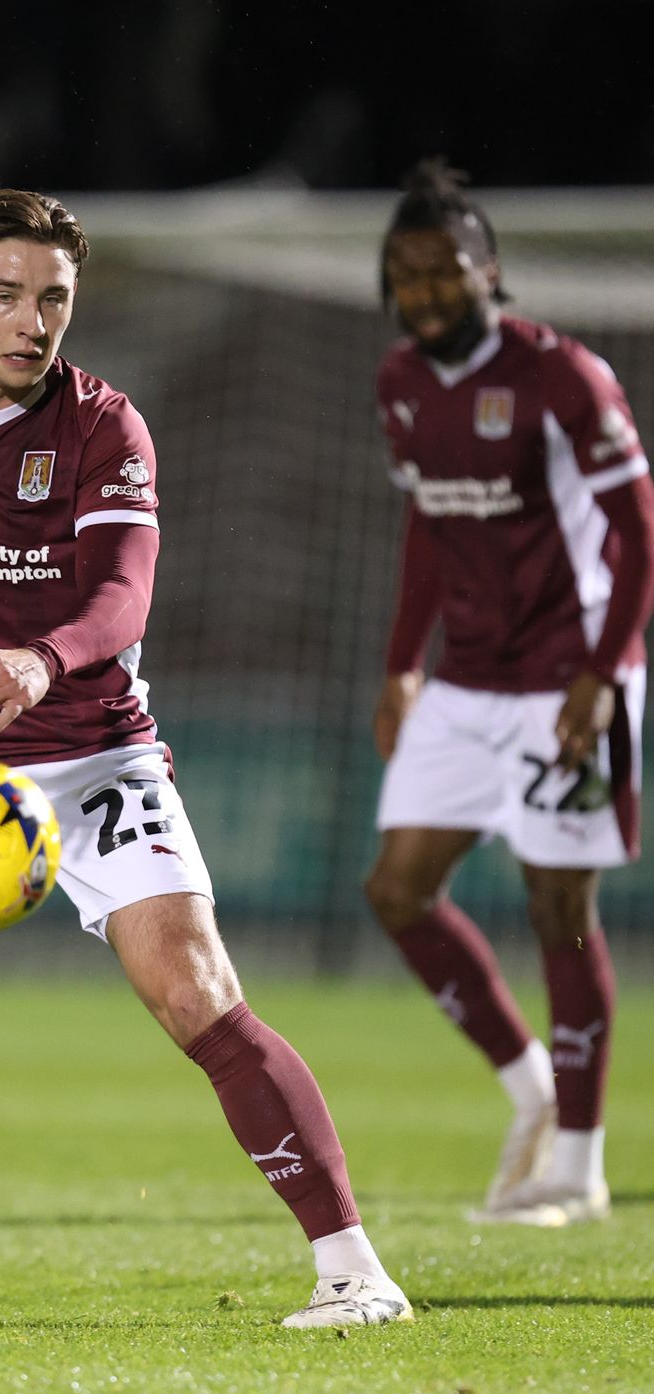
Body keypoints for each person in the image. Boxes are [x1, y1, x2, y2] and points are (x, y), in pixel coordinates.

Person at [0, 187, 412, 1329]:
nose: (32, 321)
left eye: (54, 298)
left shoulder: (104, 427)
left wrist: (40, 661)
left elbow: (124, 594)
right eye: (7, 294)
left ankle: (355, 1272)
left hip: (92, 756)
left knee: (198, 997)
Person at [366, 160, 654, 1226]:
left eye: (445, 269)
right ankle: (531, 1087)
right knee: (396, 892)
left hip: (566, 680)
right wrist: (404, 662)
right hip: (467, 680)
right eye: (407, 273)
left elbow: (637, 532)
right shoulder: (400, 381)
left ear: (487, 271)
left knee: (558, 910)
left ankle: (576, 1165)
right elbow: (427, 525)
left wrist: (603, 673)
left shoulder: (560, 376)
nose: (426, 290)